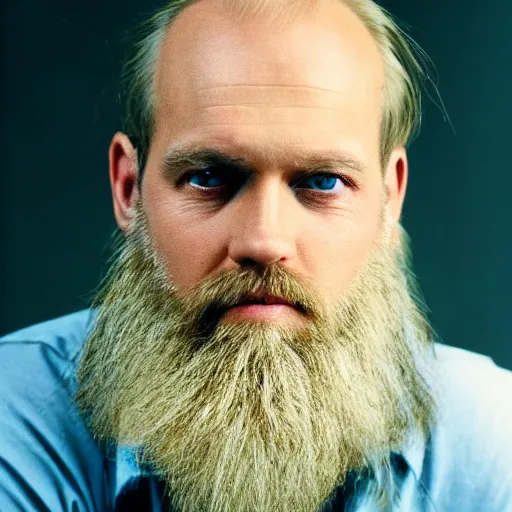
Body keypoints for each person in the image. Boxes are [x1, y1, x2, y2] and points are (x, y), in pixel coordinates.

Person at [1, 0, 511, 510]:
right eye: (208, 176)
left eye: (323, 182)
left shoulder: (490, 444)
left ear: (389, 199)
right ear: (129, 188)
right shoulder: (15, 416)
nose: (264, 241)